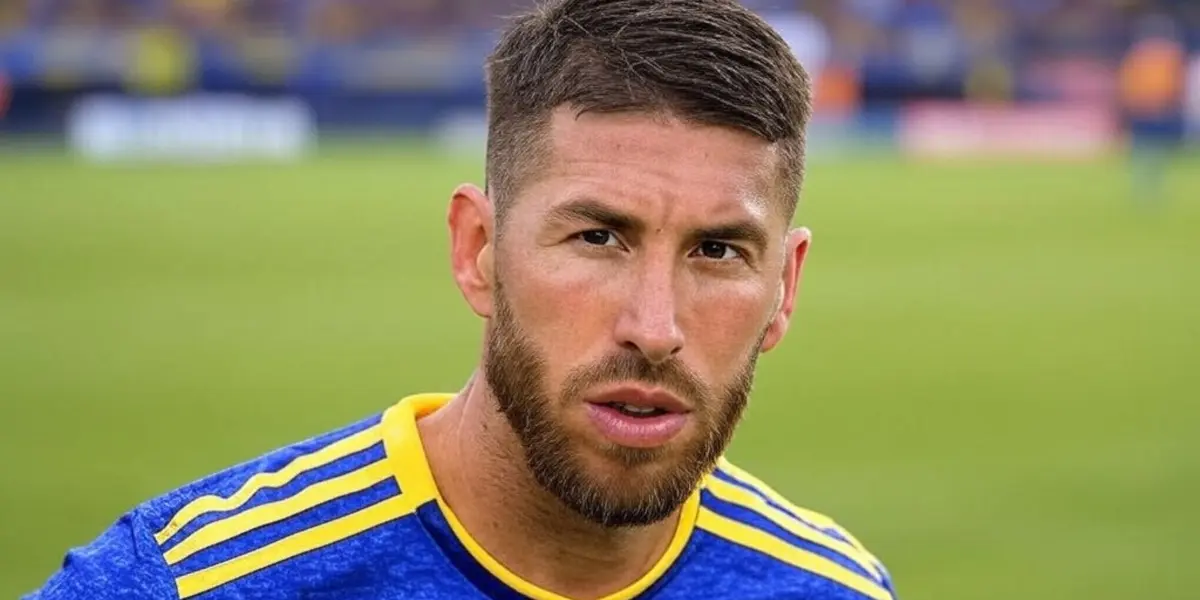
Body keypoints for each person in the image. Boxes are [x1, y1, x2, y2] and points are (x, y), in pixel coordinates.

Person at [25, 0, 897, 598]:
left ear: (784, 287)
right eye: (598, 237)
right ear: (477, 249)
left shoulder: (832, 588)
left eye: (717, 250)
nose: (655, 328)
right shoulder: (188, 583)